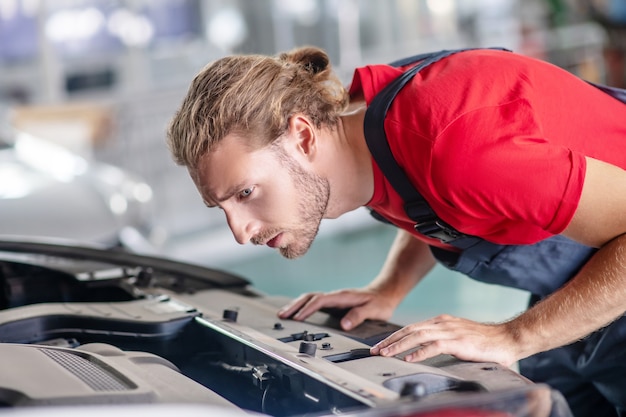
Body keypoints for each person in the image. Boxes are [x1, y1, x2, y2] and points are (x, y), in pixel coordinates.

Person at [167, 46, 626, 417]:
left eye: (245, 192)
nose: (240, 233)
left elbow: (458, 171)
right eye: (221, 206)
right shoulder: (365, 141)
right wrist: (390, 288)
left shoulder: (459, 145)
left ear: (303, 137)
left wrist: (513, 338)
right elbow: (434, 198)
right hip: (580, 292)